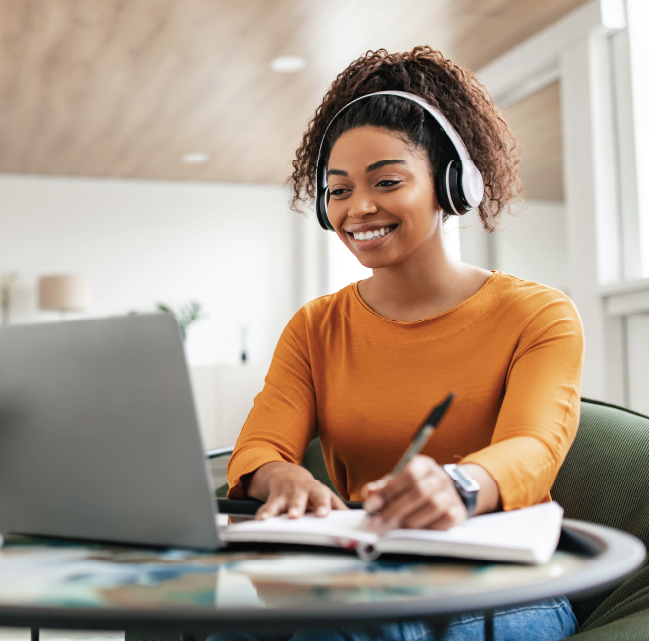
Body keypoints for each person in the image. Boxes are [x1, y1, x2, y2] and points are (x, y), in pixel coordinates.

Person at [218, 47, 583, 641]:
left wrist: (461, 486)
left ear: (451, 183)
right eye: (338, 190)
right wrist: (278, 477)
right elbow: (259, 444)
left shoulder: (538, 315)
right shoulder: (316, 327)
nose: (359, 208)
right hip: (366, 578)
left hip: (502, 586)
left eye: (387, 181)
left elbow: (535, 445)